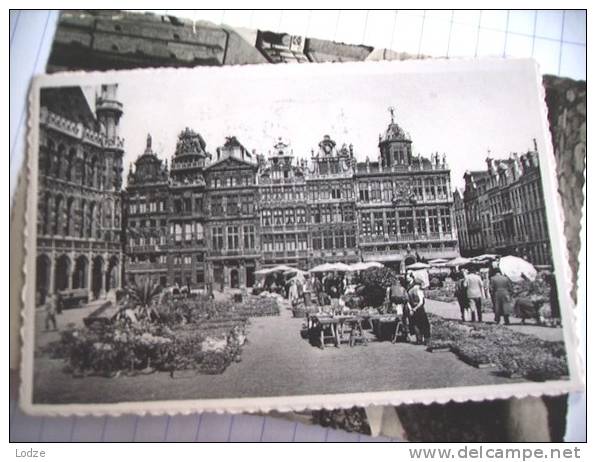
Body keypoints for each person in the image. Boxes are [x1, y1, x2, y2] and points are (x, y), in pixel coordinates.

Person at [406, 271, 431, 345]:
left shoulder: (409, 291)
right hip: (419, 309)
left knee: (415, 324)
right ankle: (427, 340)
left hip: (412, 309)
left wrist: (411, 309)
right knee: (424, 324)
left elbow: (407, 301)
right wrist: (416, 308)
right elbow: (421, 302)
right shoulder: (418, 290)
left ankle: (418, 340)